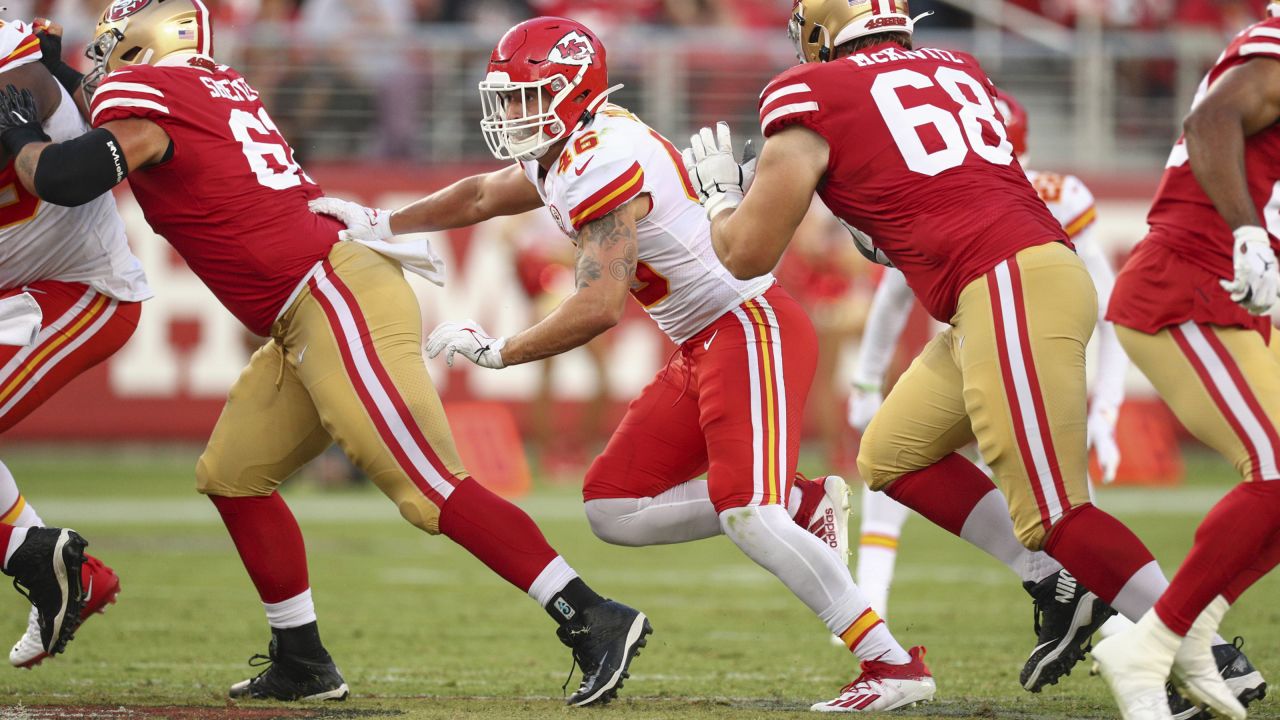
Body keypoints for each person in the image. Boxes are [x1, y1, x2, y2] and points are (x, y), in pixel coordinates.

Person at [0, 0, 650, 705]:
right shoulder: (208, 83)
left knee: (428, 487)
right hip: (305, 307)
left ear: (141, 45)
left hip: (331, 293)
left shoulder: (151, 91)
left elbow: (66, 178)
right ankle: (303, 658)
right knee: (233, 475)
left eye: (109, 49)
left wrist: (19, 138)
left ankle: (590, 614)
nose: (100, 67)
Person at [316, 16, 935, 713]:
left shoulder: (600, 158)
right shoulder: (566, 146)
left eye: (529, 96)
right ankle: (801, 500)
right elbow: (482, 195)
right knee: (614, 507)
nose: (515, 113)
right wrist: (379, 224)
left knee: (748, 515)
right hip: (703, 340)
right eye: (510, 97)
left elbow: (600, 304)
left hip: (748, 325)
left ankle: (888, 662)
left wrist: (501, 351)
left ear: (574, 90)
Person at [682, 0, 1188, 705]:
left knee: (1055, 514)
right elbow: (922, 211)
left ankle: (1201, 651)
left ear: (825, 27)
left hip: (1006, 282)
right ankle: (1053, 581)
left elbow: (745, 253)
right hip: (1015, 278)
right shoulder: (957, 66)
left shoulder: (812, 91)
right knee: (893, 454)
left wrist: (714, 200)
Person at [843, 87, 1145, 691]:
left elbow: (1108, 307)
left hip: (1022, 334)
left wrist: (1107, 407)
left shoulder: (1037, 196)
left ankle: (1177, 645)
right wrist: (865, 378)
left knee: (1055, 513)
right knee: (891, 459)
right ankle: (870, 615)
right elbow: (894, 291)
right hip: (971, 342)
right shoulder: (957, 193)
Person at [1091, 3, 1280, 718]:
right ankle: (1151, 642)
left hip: (1227, 296)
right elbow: (1209, 123)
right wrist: (1248, 234)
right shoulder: (1273, 48)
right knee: (1276, 468)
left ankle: (1187, 630)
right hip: (1186, 284)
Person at [0, 16, 144, 670]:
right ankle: (59, 569)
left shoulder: (14, 63)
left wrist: (49, 79)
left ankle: (47, 566)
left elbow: (41, 118)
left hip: (78, 286)